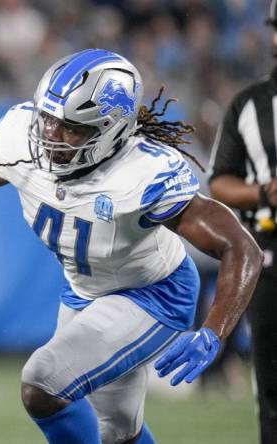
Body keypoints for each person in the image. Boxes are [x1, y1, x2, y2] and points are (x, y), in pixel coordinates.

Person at [0, 48, 262, 443]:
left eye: (70, 127)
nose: (51, 135)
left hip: (152, 295)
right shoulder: (24, 139)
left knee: (43, 384)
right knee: (119, 432)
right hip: (84, 293)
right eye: (48, 118)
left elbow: (241, 248)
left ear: (112, 131)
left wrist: (213, 330)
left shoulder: (141, 174)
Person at [208, 2, 277, 440]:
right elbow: (220, 182)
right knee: (271, 385)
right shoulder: (249, 105)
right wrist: (265, 191)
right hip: (269, 250)